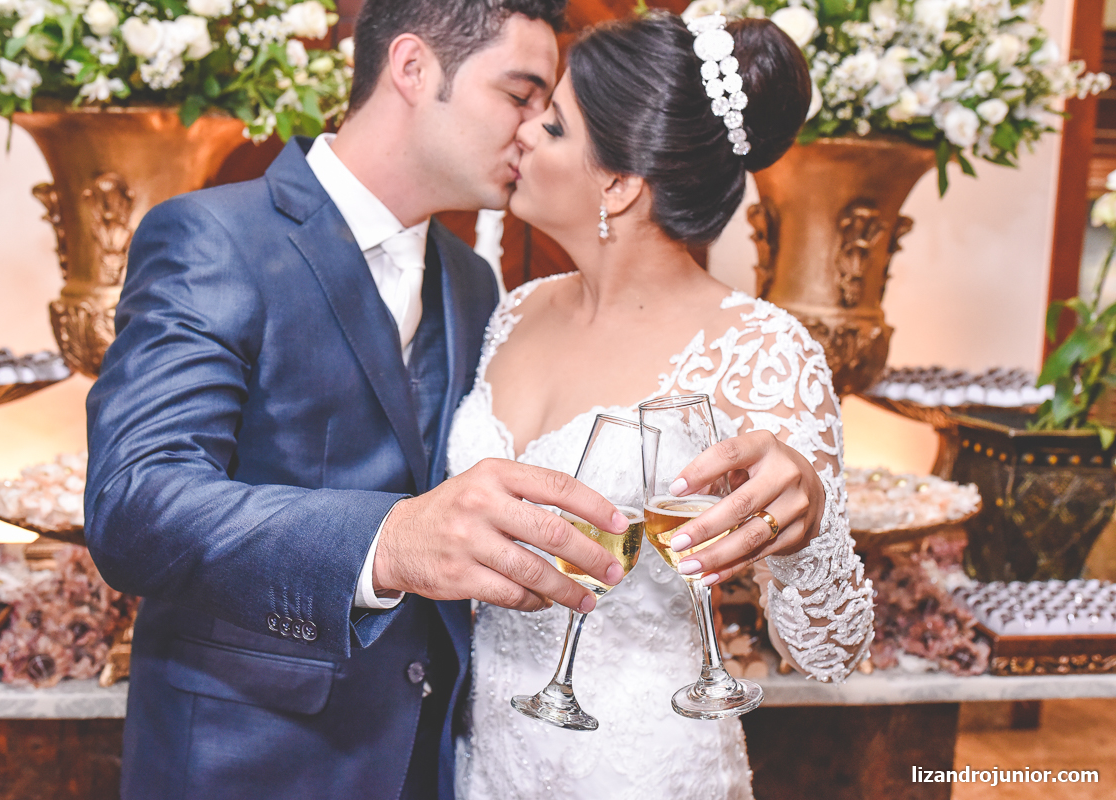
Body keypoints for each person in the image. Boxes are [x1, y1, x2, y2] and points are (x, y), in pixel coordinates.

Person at [84, 2, 643, 798]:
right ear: (413, 69)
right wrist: (386, 541)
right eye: (519, 94)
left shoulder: (472, 281)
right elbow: (134, 505)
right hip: (244, 760)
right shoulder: (210, 236)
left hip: (426, 760)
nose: (532, 129)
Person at [446, 10, 875, 799]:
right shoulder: (514, 311)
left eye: (552, 125)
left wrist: (805, 528)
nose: (520, 135)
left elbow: (831, 654)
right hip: (491, 761)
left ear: (619, 181)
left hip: (642, 769)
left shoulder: (761, 350)